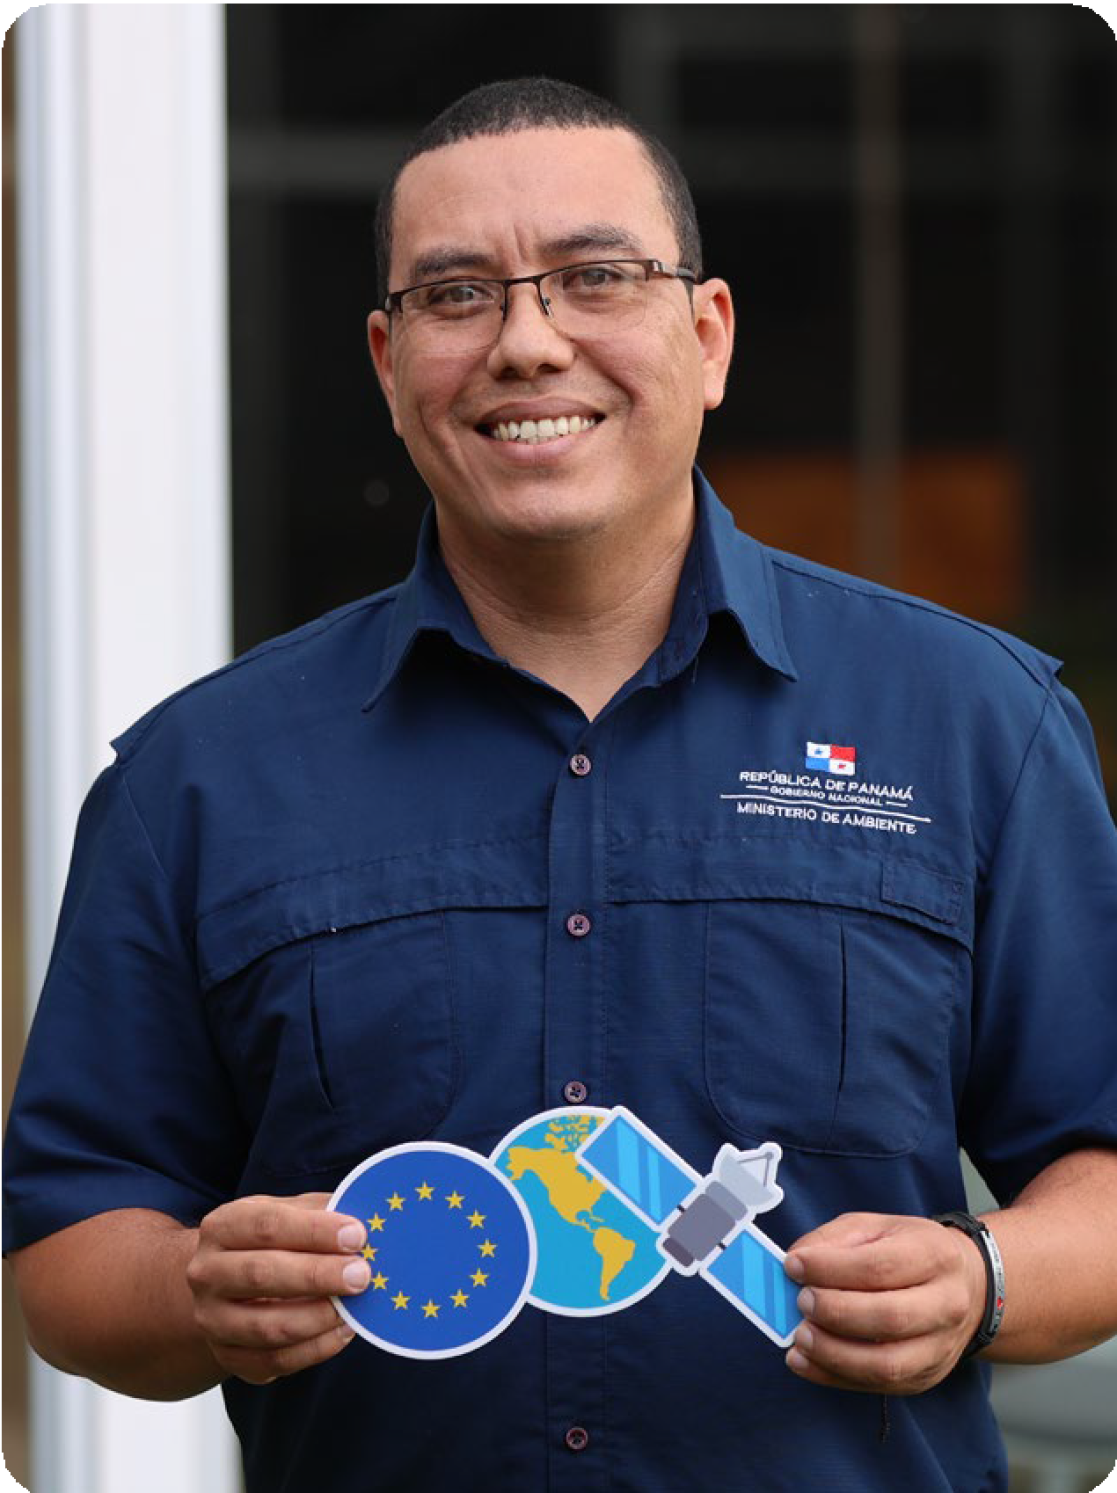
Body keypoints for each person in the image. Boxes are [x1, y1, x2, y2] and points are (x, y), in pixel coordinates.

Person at [3, 76, 1115, 1493]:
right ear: (387, 362)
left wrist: (985, 1274)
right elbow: (73, 1244)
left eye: (596, 277)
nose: (528, 343)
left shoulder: (971, 725)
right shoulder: (198, 781)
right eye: (457, 296)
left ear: (706, 336)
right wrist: (187, 1289)